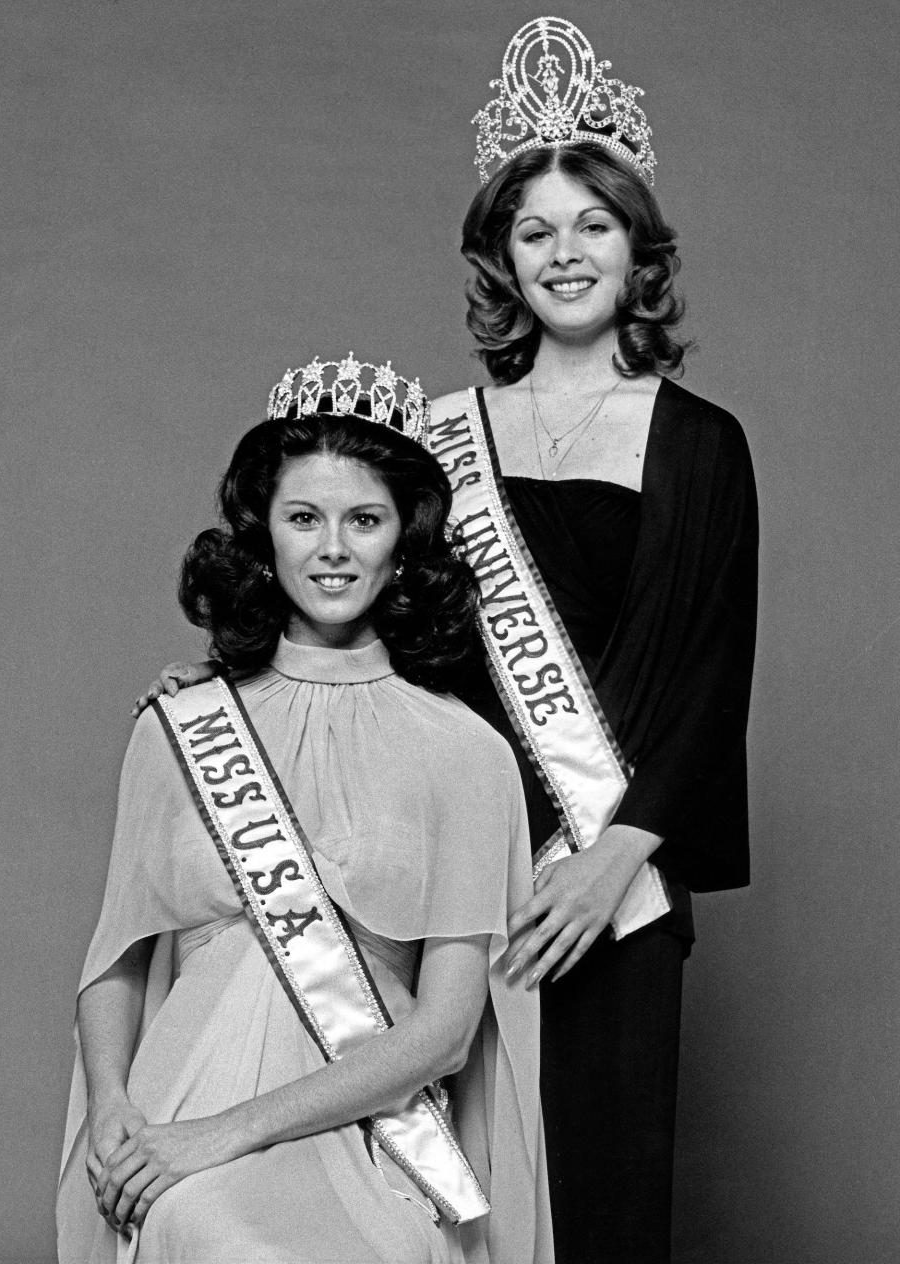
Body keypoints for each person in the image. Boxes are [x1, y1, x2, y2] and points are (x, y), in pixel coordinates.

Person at [135, 18, 758, 1263]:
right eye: (535, 229)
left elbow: (706, 684)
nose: (565, 252)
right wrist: (235, 688)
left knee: (600, 1201)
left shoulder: (703, 443)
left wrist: (605, 861)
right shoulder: (435, 436)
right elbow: (367, 615)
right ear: (501, 257)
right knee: (435, 1194)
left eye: (593, 223)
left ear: (637, 245)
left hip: (612, 889)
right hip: (440, 877)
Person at [57, 355, 553, 1264]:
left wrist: (227, 1135)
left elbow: (446, 1033)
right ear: (264, 539)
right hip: (176, 1110)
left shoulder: (467, 754)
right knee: (191, 1224)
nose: (333, 548)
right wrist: (115, 1112)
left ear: (405, 540)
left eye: (364, 519)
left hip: (361, 1126)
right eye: (303, 518)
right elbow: (114, 962)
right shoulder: (180, 727)